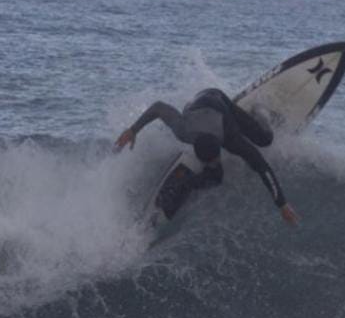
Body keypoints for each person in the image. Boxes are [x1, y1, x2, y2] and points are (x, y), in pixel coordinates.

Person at [115, 88, 300, 226]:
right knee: (215, 175)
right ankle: (189, 183)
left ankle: (259, 111)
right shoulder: (183, 131)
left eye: (214, 159)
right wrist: (132, 130)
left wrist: (282, 204)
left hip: (218, 99)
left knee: (264, 139)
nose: (216, 161)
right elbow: (158, 107)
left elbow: (263, 167)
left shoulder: (232, 138)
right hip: (196, 104)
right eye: (211, 160)